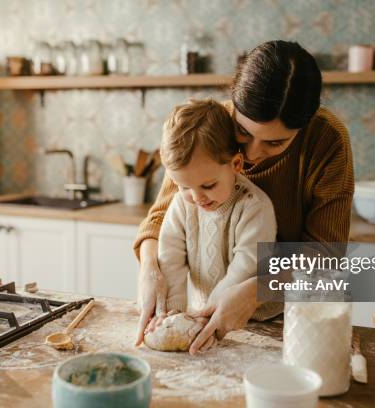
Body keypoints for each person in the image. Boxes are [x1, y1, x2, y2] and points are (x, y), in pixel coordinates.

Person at [134, 40, 354, 354]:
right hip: (205, 312)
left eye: (275, 143)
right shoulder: (210, 126)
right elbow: (161, 218)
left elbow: (325, 254)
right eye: (243, 131)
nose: (250, 155)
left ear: (304, 126)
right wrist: (150, 270)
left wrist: (254, 292)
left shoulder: (327, 140)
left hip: (290, 316)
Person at [142, 99, 280, 351]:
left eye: (208, 186)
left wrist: (208, 317)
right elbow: (170, 258)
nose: (197, 198)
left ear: (236, 165)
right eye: (184, 187)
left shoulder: (254, 208)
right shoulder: (182, 204)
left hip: (262, 324)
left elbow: (244, 269)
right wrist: (172, 314)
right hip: (202, 315)